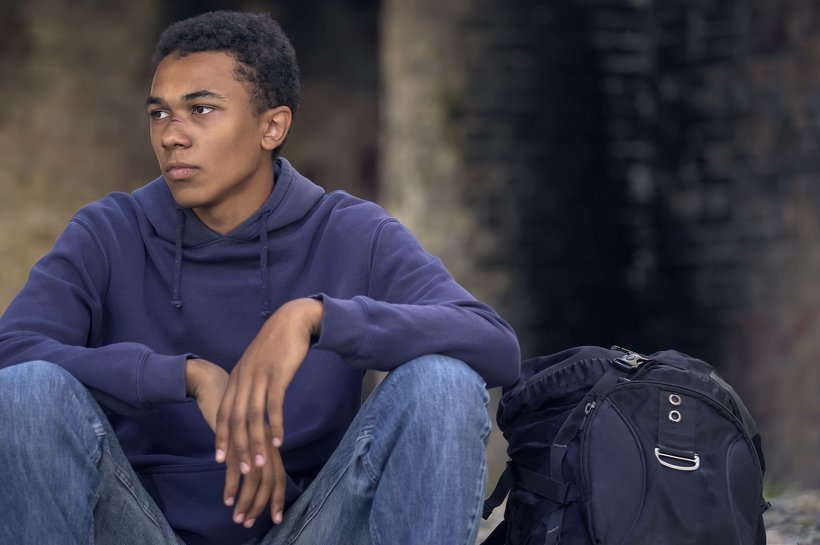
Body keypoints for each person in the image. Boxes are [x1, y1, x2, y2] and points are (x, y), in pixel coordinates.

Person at [0, 10, 520, 545]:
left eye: (201, 110)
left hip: (310, 529)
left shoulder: (351, 233)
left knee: (442, 384)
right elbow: (11, 351)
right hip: (139, 528)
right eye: (159, 114)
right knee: (26, 390)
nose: (172, 136)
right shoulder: (109, 232)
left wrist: (314, 317)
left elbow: (494, 344)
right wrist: (186, 376)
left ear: (272, 126)